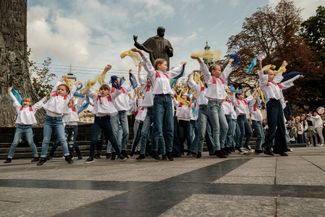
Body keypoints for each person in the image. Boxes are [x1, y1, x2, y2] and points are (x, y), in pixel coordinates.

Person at [132, 48, 186, 161]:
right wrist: (141, 53)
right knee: (159, 128)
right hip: (158, 100)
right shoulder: (153, 74)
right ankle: (160, 151)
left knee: (170, 127)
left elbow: (176, 71)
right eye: (165, 64)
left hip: (168, 100)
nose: (166, 66)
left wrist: (181, 64)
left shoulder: (167, 75)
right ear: (159, 65)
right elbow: (147, 63)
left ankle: (169, 151)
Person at [258, 59, 303, 156]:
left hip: (278, 104)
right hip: (271, 104)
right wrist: (260, 62)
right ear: (266, 76)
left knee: (281, 126)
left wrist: (297, 77)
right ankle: (267, 147)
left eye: (273, 74)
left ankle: (280, 148)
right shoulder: (264, 84)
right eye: (270, 74)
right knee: (273, 126)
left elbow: (286, 81)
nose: (272, 75)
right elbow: (261, 74)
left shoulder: (276, 84)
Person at [37, 80, 77, 165]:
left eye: (62, 90)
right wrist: (60, 81)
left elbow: (72, 91)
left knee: (63, 139)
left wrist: (75, 85)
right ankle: (43, 157)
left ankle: (67, 156)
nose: (60, 90)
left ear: (66, 92)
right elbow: (55, 88)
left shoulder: (67, 98)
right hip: (48, 120)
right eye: (59, 89)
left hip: (58, 121)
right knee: (46, 139)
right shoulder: (52, 95)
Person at [4, 86, 46, 163]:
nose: (25, 102)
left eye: (27, 101)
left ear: (30, 103)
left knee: (30, 142)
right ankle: (9, 157)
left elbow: (39, 103)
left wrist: (46, 97)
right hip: (19, 128)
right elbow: (15, 99)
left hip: (28, 128)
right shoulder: (19, 107)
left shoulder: (32, 109)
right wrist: (10, 92)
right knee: (15, 142)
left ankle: (36, 156)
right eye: (24, 101)